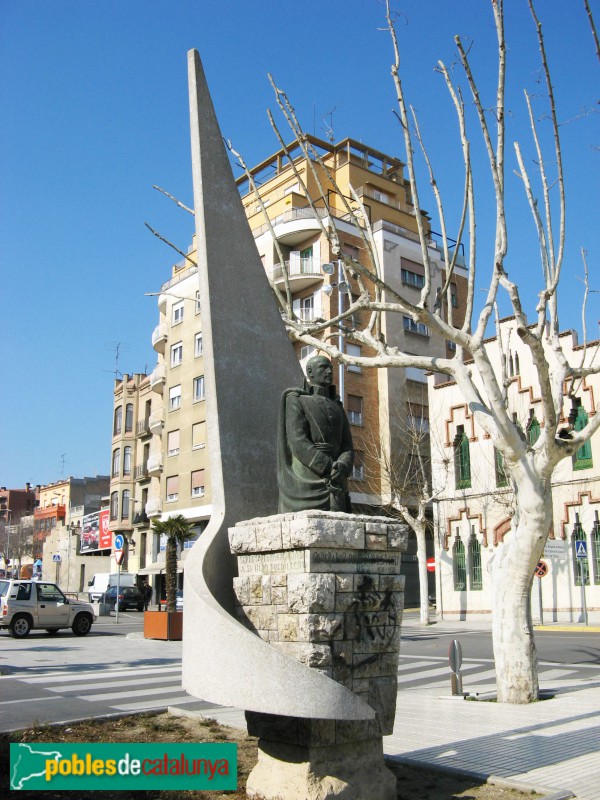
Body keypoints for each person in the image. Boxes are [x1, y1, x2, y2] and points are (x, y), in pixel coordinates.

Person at [278, 355, 354, 513]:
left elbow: (347, 446)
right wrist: (327, 466)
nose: (329, 372)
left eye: (331, 369)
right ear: (310, 372)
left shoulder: (338, 406)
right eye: (323, 367)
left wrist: (343, 464)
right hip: (308, 477)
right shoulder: (296, 399)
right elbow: (298, 441)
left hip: (337, 479)